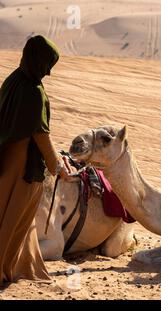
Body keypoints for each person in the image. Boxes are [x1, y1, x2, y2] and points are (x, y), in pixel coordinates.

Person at [0, 35, 71, 286]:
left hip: (6, 160)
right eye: (48, 64)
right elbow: (40, 134)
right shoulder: (33, 91)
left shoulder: (13, 80)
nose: (49, 73)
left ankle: (21, 264)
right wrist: (58, 166)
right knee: (13, 219)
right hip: (23, 169)